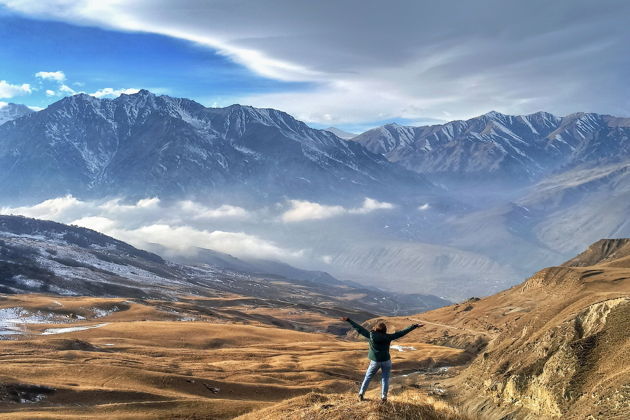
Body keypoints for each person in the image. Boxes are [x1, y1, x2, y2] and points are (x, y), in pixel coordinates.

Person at [341, 317, 423, 402]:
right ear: (385, 330)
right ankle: (384, 397)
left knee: (368, 377)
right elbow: (401, 333)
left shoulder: (370, 335)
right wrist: (415, 326)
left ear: (376, 329)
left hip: (375, 361)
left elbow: (360, 329)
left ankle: (361, 393)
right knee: (385, 379)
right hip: (386, 361)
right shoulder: (388, 337)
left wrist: (349, 320)